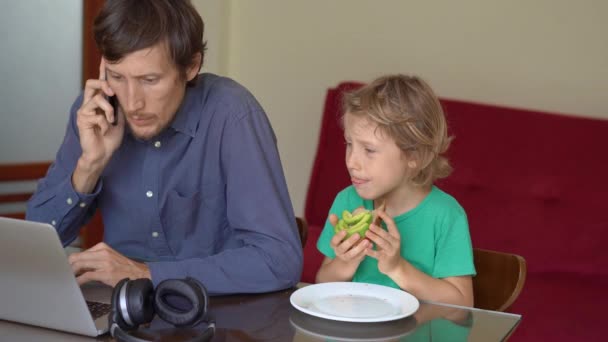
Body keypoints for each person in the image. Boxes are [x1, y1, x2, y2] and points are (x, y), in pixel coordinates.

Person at [26, 0, 302, 295]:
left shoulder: (231, 114)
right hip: (122, 308)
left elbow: (279, 260)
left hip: (218, 315)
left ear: (191, 66)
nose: (132, 103)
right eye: (118, 77)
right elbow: (34, 249)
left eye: (149, 80)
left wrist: (146, 273)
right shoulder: (95, 113)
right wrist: (90, 165)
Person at [315, 74, 476, 306]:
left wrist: (397, 267)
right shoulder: (348, 201)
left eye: (369, 150)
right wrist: (346, 262)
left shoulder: (446, 215)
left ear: (414, 156)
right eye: (349, 144)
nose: (352, 161)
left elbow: (462, 305)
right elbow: (323, 281)